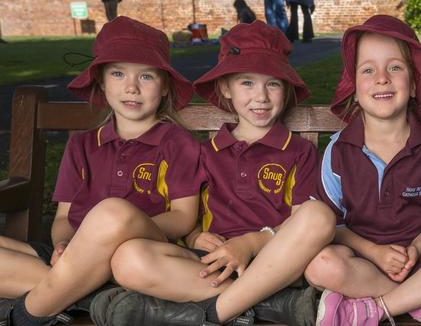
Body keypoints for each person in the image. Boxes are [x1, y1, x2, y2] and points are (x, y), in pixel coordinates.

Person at [89, 20, 335, 326]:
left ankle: (208, 312)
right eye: (246, 82)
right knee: (128, 259)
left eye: (272, 83)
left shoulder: (299, 150)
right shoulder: (204, 152)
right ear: (225, 88)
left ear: (285, 90)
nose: (261, 96)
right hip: (211, 263)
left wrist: (249, 244)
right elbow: (186, 218)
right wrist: (195, 236)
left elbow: (301, 223)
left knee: (317, 215)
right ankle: (270, 303)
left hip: (275, 260)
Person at [0, 16, 202, 326]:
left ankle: (28, 312)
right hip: (72, 257)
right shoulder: (83, 145)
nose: (131, 87)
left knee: (112, 213)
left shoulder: (176, 142)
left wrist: (115, 234)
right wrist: (66, 246)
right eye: (118, 73)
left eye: (146, 77)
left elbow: (182, 218)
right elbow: (63, 219)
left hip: (139, 253)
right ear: (101, 81)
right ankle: (95, 296)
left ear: (165, 86)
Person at [303, 15, 421, 326]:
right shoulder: (339, 150)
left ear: (414, 83)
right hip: (363, 260)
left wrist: (415, 249)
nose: (382, 78)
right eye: (368, 70)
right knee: (319, 266)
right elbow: (333, 224)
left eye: (395, 67)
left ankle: (373, 309)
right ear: (354, 87)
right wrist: (376, 252)